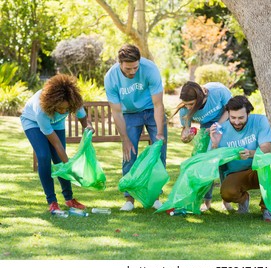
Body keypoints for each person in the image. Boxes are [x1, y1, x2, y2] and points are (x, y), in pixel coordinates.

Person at [104, 43, 167, 211]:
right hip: (129, 114)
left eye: (135, 68)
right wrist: (125, 139)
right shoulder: (111, 78)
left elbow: (158, 104)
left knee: (158, 153)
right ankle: (129, 200)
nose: (132, 72)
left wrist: (160, 132)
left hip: (152, 110)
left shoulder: (149, 69)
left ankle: (155, 197)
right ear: (120, 64)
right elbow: (116, 112)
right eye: (128, 69)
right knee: (129, 154)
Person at [20, 74, 94, 213]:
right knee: (44, 156)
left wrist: (88, 127)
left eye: (66, 109)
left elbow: (84, 120)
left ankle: (69, 199)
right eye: (59, 108)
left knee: (59, 159)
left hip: (56, 123)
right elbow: (57, 145)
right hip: (32, 122)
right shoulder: (41, 110)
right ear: (52, 103)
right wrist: (70, 167)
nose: (62, 111)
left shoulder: (73, 102)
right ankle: (52, 202)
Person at [209, 95, 271, 220]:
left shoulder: (260, 121)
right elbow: (212, 162)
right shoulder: (220, 130)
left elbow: (266, 149)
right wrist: (215, 144)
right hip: (236, 173)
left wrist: (250, 153)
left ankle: (268, 208)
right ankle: (243, 199)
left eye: (241, 117)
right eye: (232, 117)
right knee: (227, 193)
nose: (237, 122)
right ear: (228, 114)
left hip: (259, 169)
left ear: (248, 114)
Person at [171, 81, 233, 212]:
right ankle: (207, 202)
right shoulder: (184, 109)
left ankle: (226, 201)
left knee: (225, 164)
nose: (188, 107)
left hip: (226, 124)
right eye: (186, 104)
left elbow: (230, 110)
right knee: (206, 164)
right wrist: (185, 137)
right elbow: (185, 130)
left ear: (200, 98)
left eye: (191, 104)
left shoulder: (218, 91)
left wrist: (216, 126)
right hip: (206, 129)